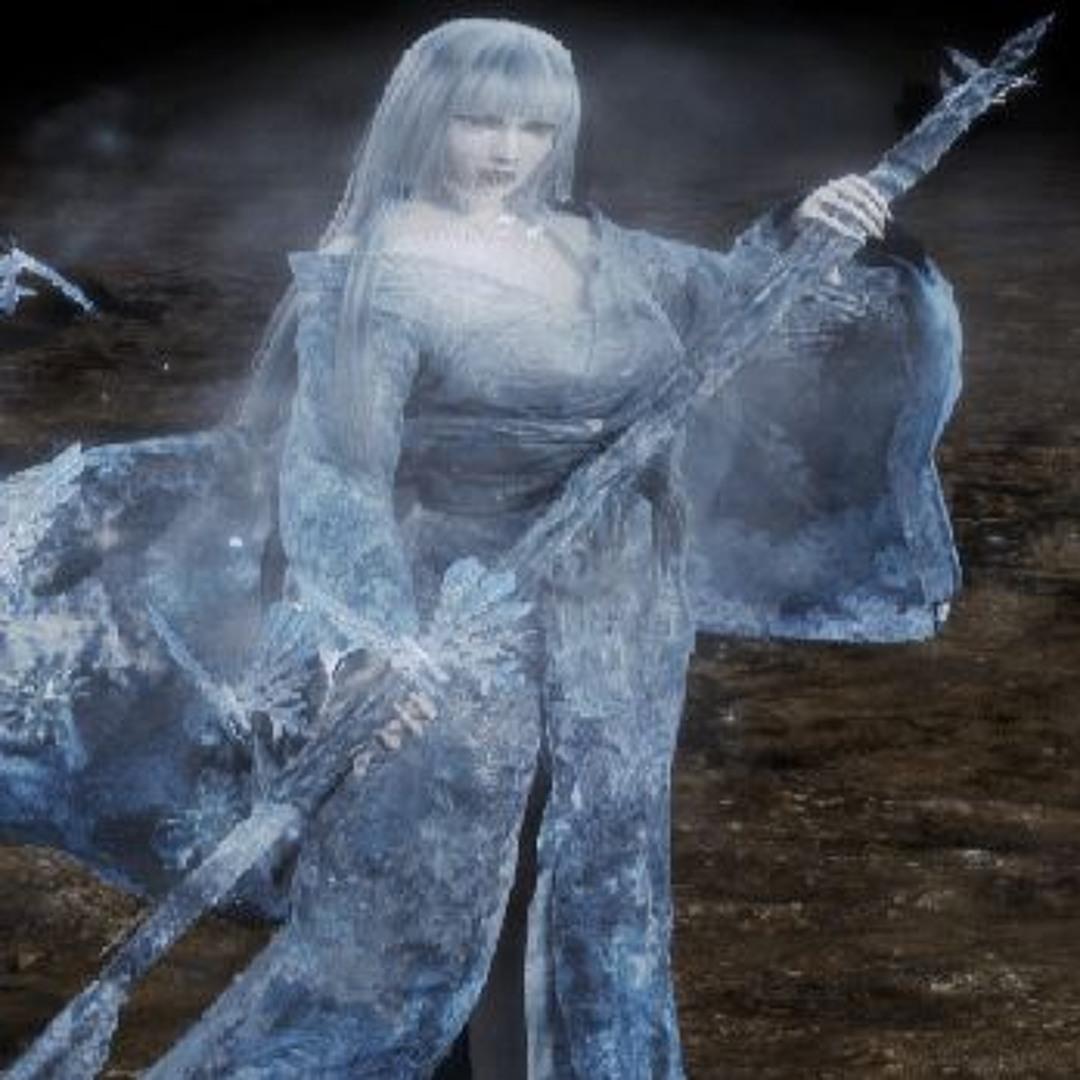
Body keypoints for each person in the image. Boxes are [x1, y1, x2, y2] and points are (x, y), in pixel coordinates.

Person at [0, 17, 961, 1078]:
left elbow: (733, 304)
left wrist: (804, 231)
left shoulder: (586, 243)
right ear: (425, 120)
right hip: (461, 631)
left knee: (596, 896)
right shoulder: (371, 279)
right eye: (480, 122)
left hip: (619, 635)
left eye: (534, 127)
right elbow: (337, 478)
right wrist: (375, 649)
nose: (508, 151)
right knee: (412, 925)